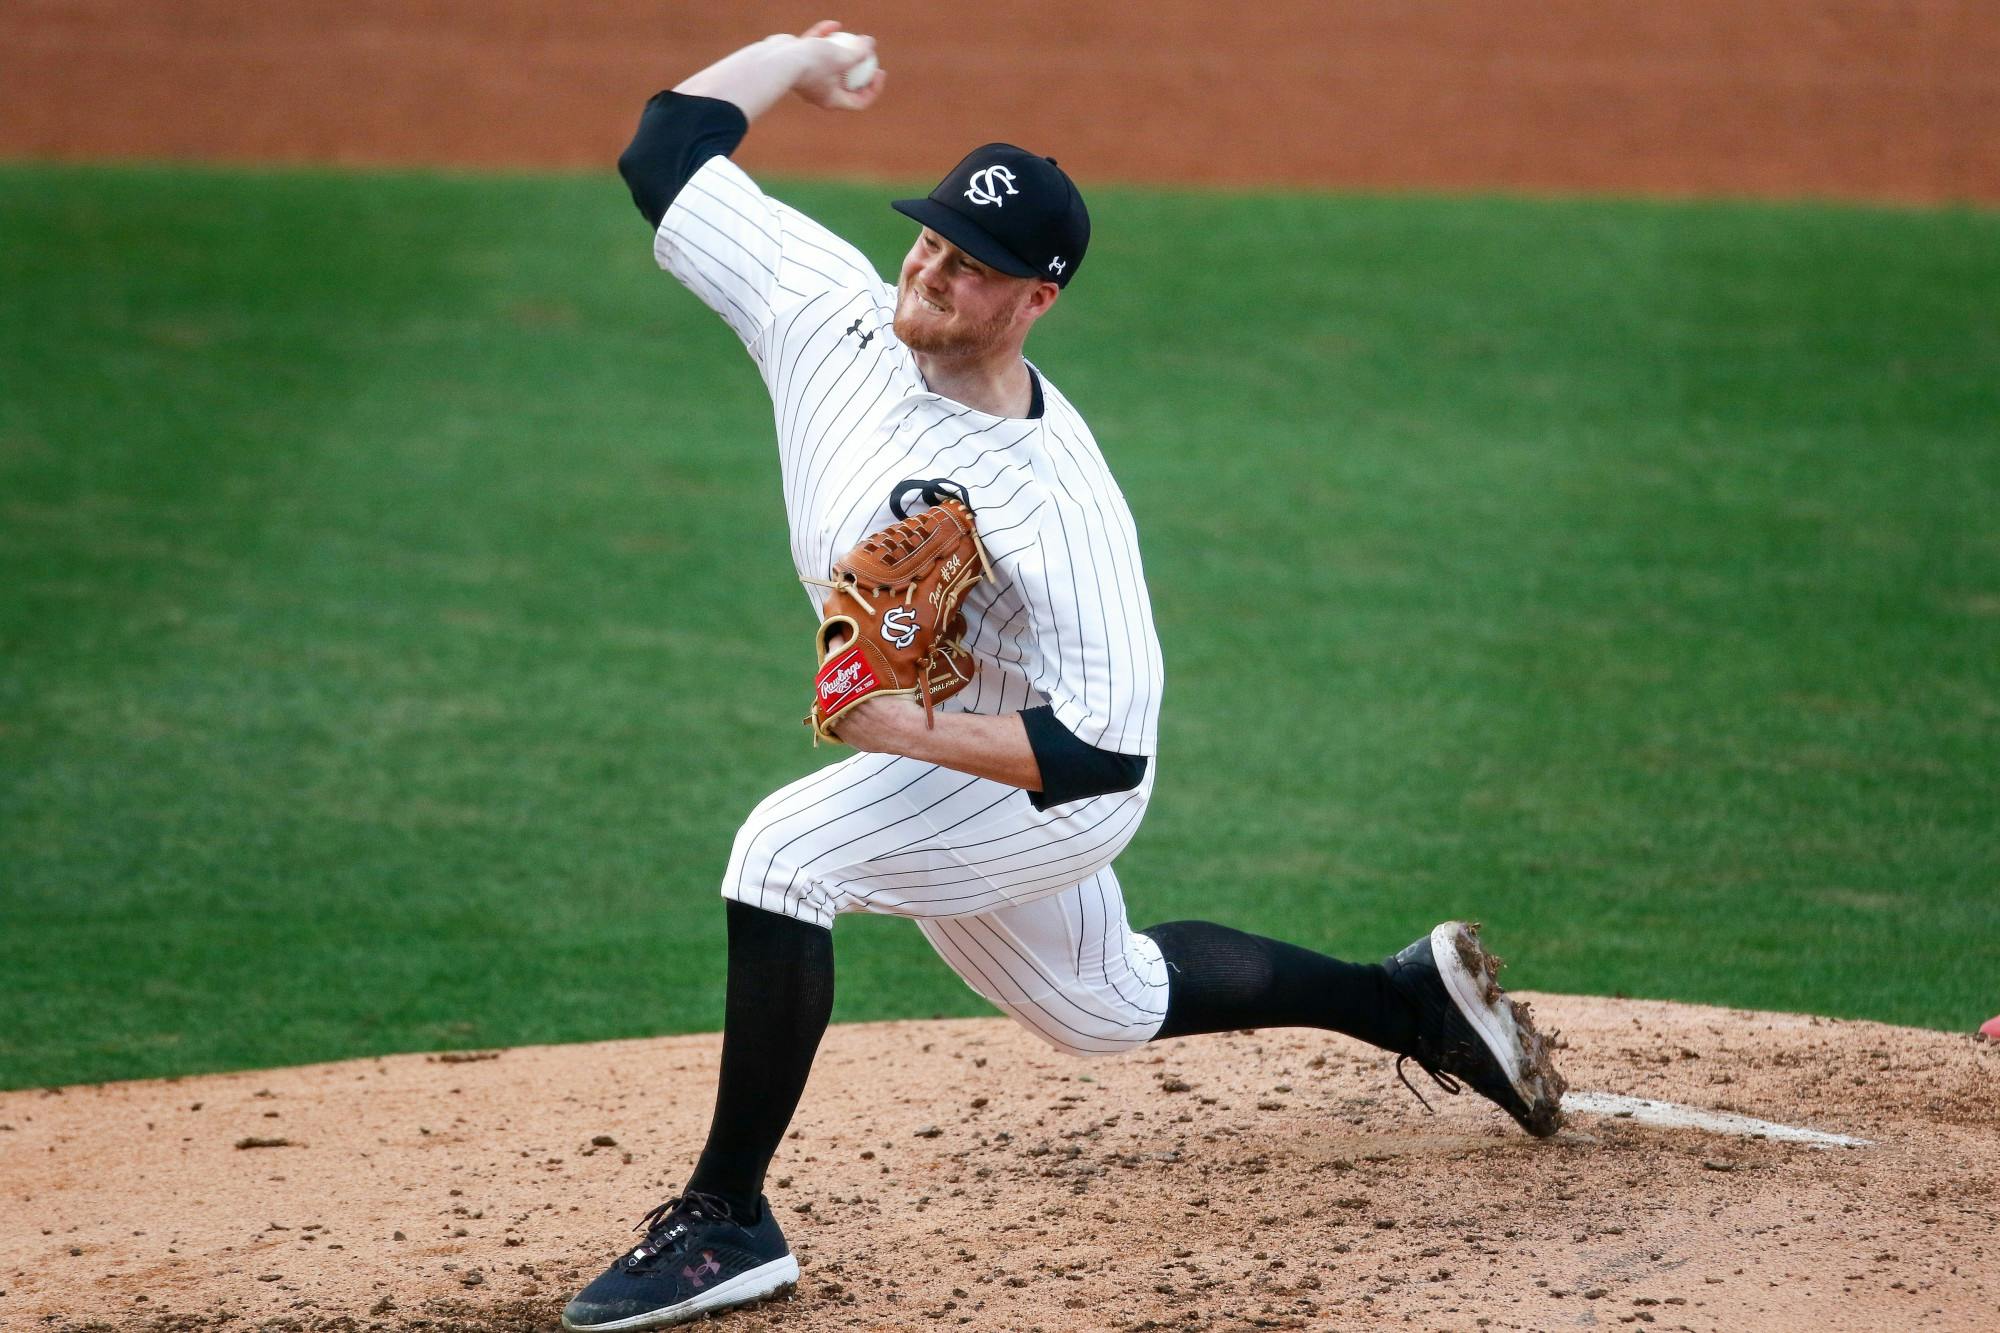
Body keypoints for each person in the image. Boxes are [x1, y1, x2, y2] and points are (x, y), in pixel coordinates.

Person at [561, 21, 1565, 1331]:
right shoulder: (832, 309)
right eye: (928, 237)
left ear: (1036, 297)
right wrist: (794, 56)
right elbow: (666, 148)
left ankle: (725, 1217)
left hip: (1050, 780)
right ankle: (1407, 1000)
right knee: (1107, 1002)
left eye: (973, 268)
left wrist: (905, 727)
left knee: (783, 855)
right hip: (944, 742)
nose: (931, 271)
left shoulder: (1056, 500)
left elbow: (1107, 754)